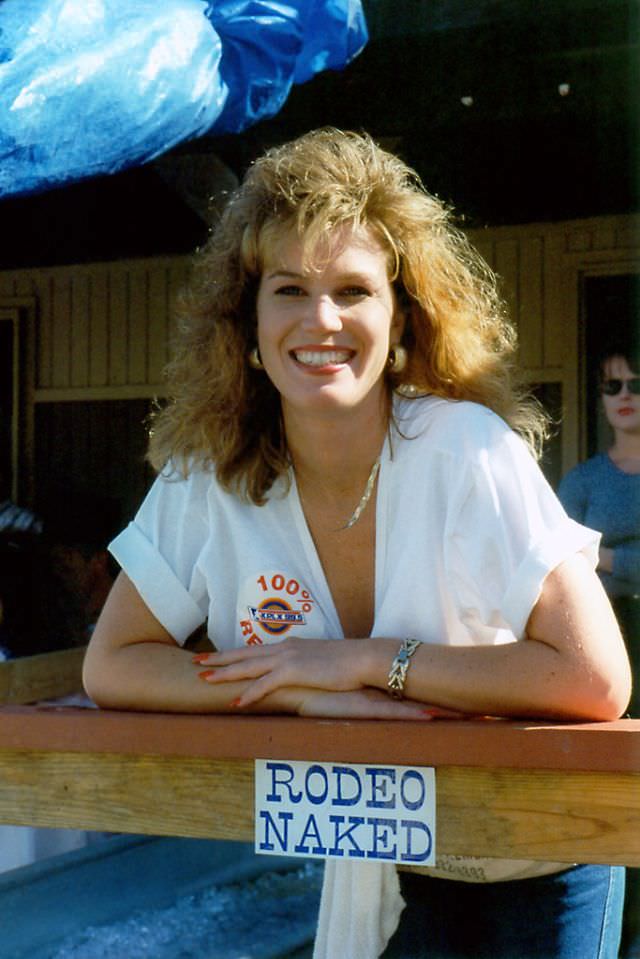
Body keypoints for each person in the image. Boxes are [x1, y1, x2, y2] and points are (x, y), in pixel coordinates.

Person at [83, 128, 631, 959]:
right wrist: (290, 687)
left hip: (541, 849)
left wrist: (368, 660)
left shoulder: (467, 449)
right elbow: (114, 662)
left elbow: (596, 679)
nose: (322, 319)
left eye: (353, 289)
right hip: (402, 859)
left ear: (401, 319)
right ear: (249, 322)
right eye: (290, 289)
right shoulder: (209, 476)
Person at [558, 343, 640, 959]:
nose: (625, 397)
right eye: (613, 387)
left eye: (636, 384)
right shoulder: (582, 480)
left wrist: (609, 558)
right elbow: (562, 570)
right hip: (608, 642)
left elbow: (591, 559)